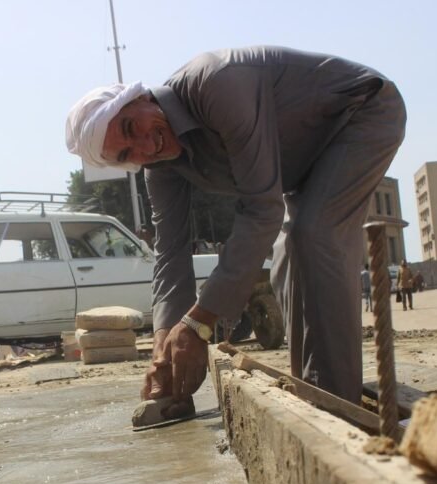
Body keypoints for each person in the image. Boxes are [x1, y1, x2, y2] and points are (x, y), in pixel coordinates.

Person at [65, 46, 406, 404]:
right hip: (304, 162)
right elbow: (170, 252)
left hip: (362, 113)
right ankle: (313, 389)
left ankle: (335, 399)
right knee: (286, 255)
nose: (146, 147)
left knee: (315, 234)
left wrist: (198, 323)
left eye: (131, 127)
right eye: (126, 154)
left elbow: (262, 209)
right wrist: (164, 347)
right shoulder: (159, 168)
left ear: (142, 98)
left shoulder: (216, 84)